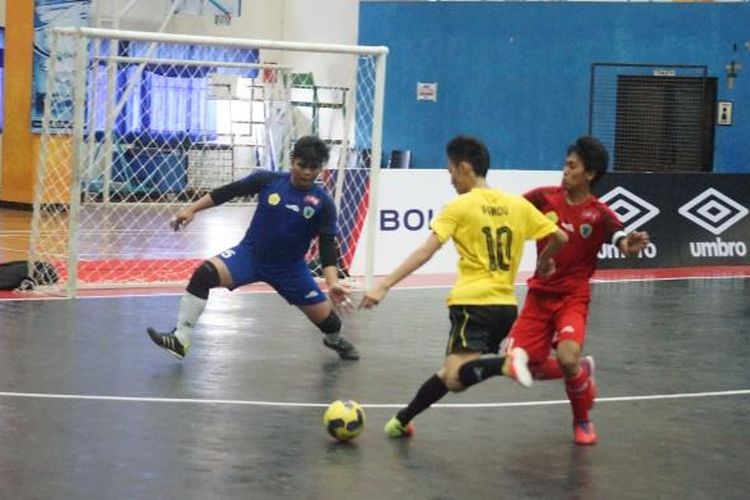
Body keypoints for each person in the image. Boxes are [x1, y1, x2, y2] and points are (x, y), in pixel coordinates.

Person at [359, 135, 568, 438]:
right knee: (450, 373)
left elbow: (425, 251)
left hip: (472, 303)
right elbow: (560, 237)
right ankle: (402, 421)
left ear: (465, 168)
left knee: (456, 377)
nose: (451, 179)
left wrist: (384, 285)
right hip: (506, 308)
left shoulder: (459, 206)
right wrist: (545, 260)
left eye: (451, 172)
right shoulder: (517, 204)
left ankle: (504, 364)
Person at [147, 136, 359, 361]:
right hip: (249, 256)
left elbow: (327, 247)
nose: (307, 172)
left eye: (313, 168)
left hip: (290, 270)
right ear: (292, 161)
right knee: (204, 274)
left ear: (320, 169)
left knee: (329, 322)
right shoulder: (268, 180)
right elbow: (228, 191)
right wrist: (192, 209)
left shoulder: (323, 203)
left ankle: (334, 341)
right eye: (302, 165)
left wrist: (333, 282)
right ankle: (181, 338)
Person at [504, 136, 650, 445]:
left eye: (573, 166)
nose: (565, 171)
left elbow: (621, 240)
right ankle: (582, 373)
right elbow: (509, 208)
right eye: (565, 164)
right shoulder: (543, 198)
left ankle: (582, 419)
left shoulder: (599, 214)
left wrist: (629, 246)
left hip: (573, 296)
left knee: (568, 357)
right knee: (521, 364)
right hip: (539, 295)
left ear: (590, 174)